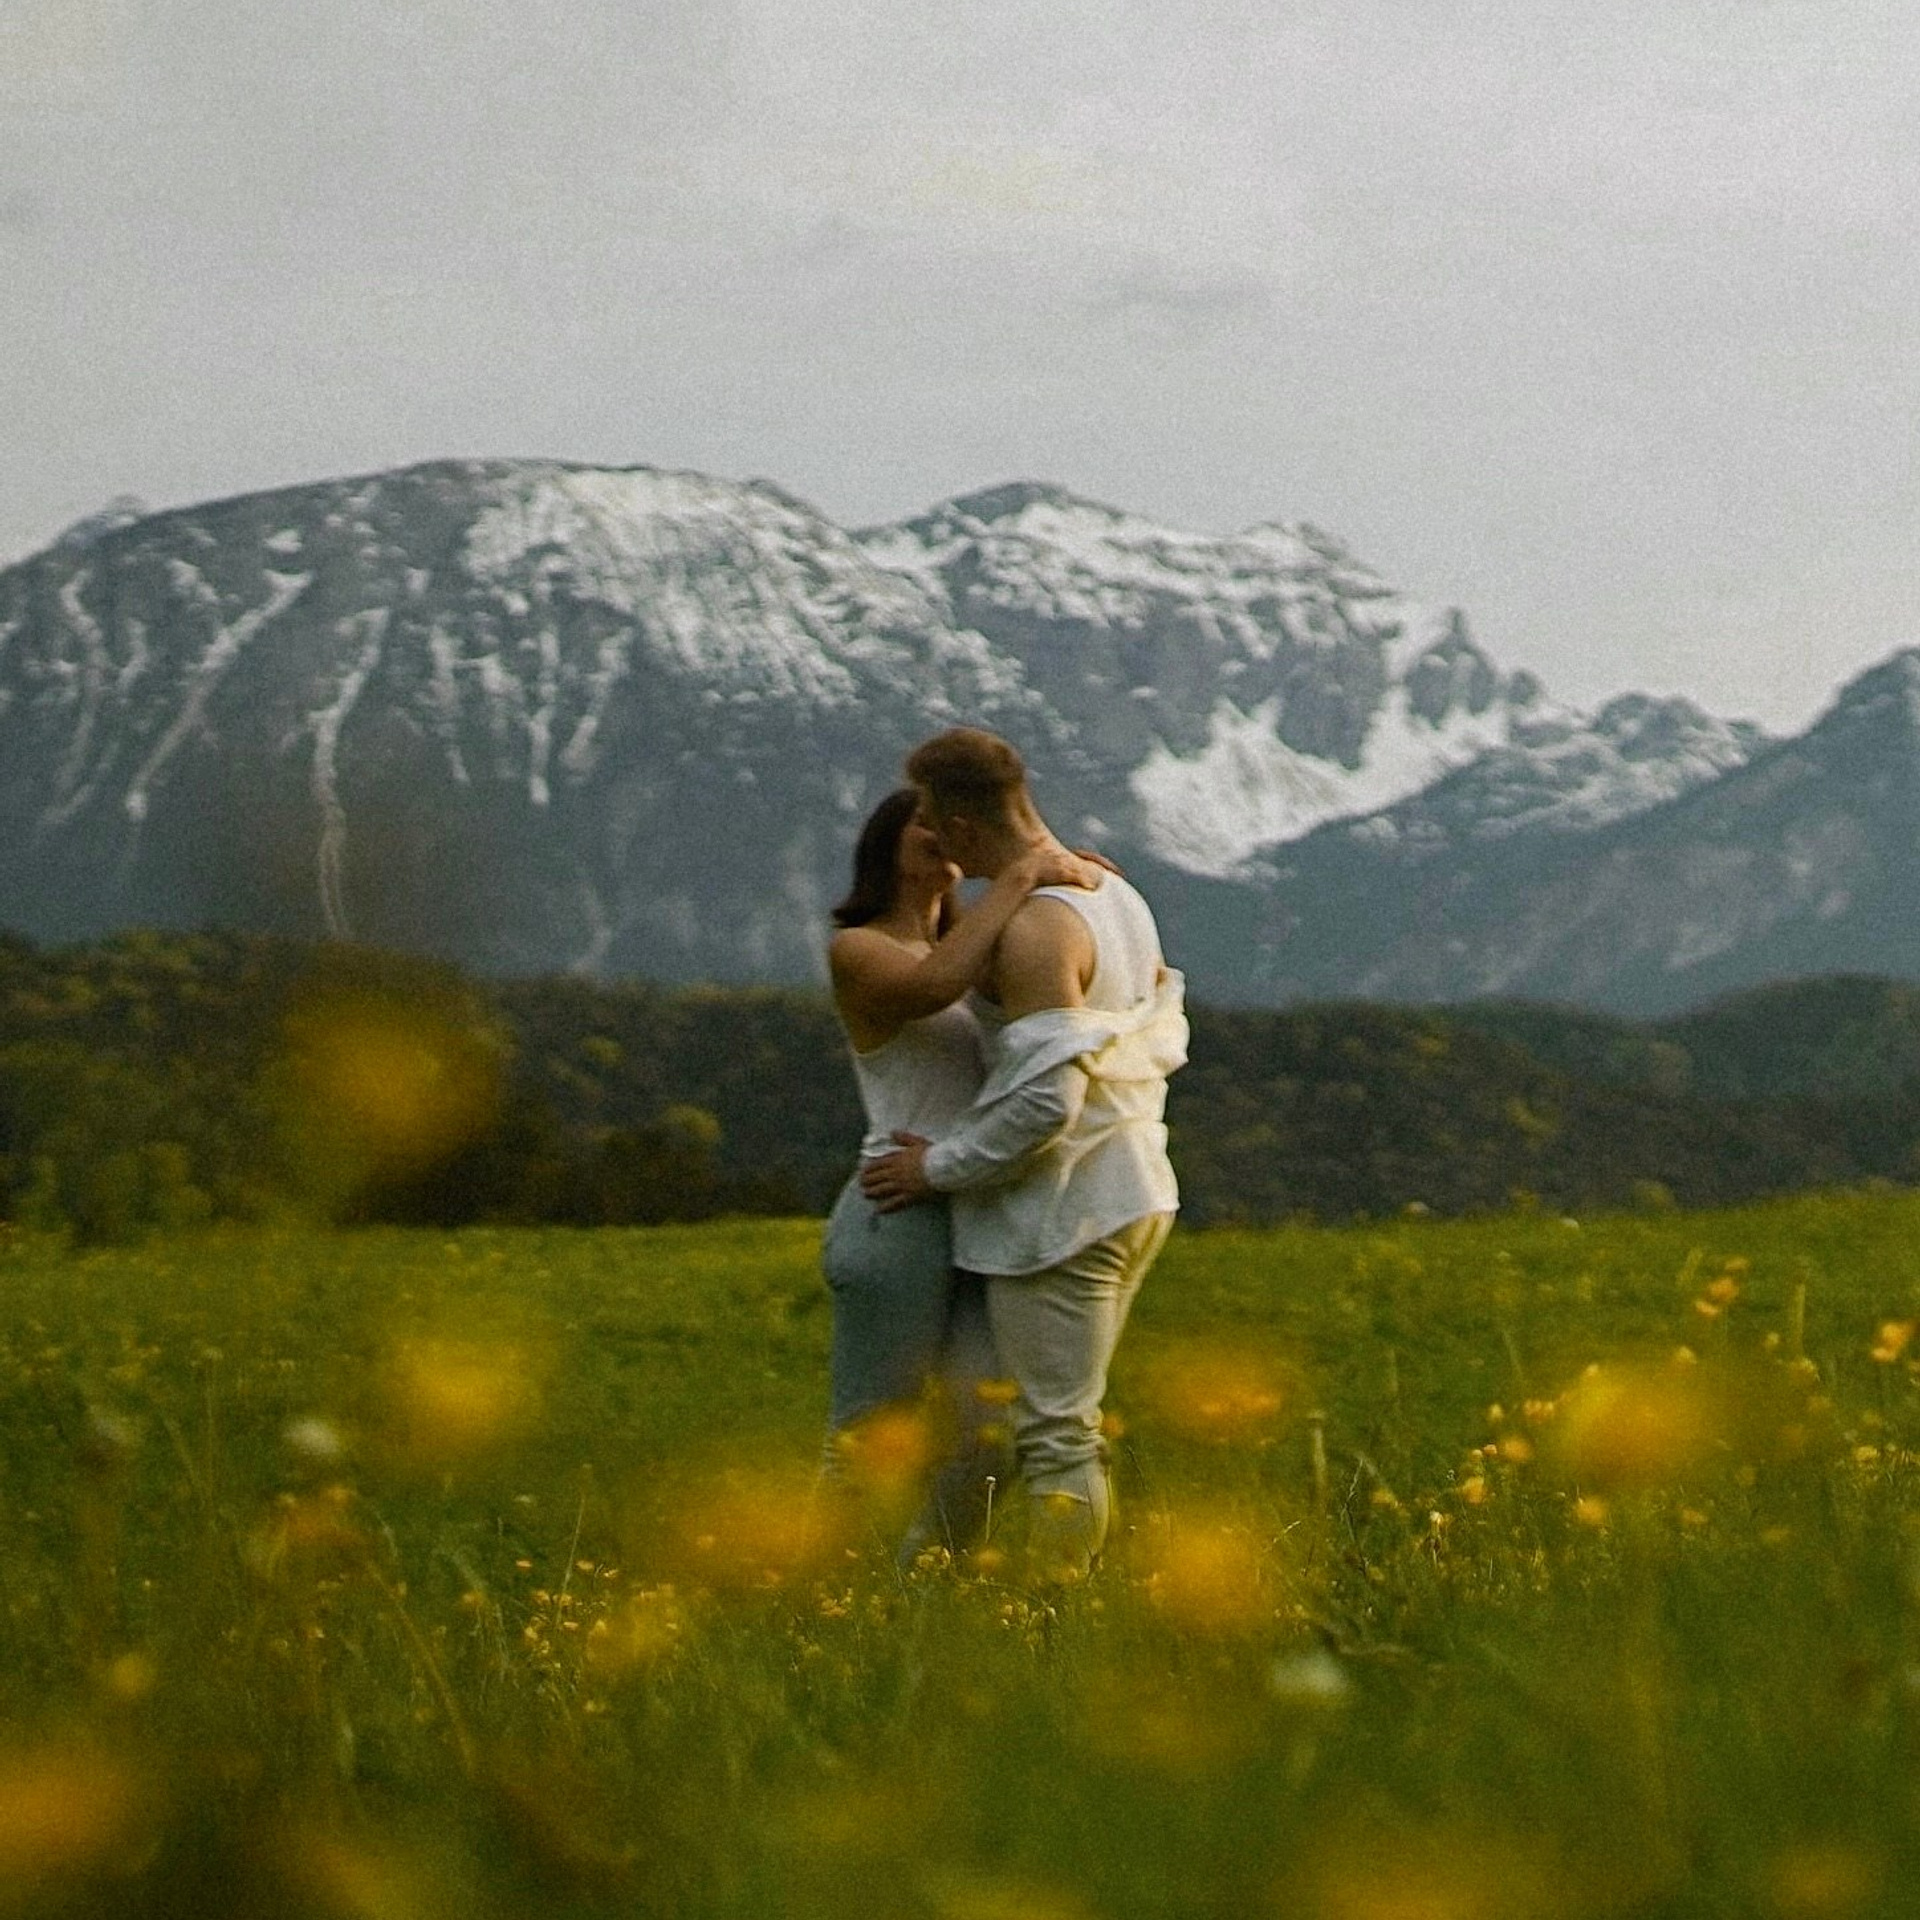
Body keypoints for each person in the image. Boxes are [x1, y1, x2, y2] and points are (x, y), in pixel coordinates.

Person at [860, 728, 1187, 1582]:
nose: (928, 839)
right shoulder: (1116, 891)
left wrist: (933, 1167)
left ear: (961, 826)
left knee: (1056, 1431)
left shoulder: (1041, 929)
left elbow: (1048, 1100)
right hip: (1128, 1182)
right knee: (976, 1419)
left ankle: (1056, 1615)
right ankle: (913, 1595)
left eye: (932, 822)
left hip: (1069, 1209)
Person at [821, 786, 1102, 1555]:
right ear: (889, 847)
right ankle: (818, 1597)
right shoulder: (861, 948)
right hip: (898, 1207)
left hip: (975, 1194)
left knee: (991, 1416)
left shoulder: (978, 949)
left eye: (952, 822)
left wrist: (1073, 888)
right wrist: (1021, 877)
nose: (943, 833)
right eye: (924, 822)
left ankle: (923, 1575)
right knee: (875, 1426)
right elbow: (929, 987)